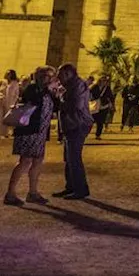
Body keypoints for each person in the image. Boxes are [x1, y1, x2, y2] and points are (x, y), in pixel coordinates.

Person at [4, 66, 56, 206]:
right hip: (29, 131)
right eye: (47, 76)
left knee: (38, 161)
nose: (50, 79)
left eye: (52, 76)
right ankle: (10, 193)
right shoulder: (33, 89)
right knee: (25, 161)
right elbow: (30, 102)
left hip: (40, 132)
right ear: (39, 76)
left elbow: (55, 106)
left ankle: (33, 192)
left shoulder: (47, 91)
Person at [56, 63, 92, 200]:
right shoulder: (71, 85)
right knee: (68, 158)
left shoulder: (77, 85)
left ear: (68, 73)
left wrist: (60, 99)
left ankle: (80, 189)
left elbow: (76, 105)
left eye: (61, 74)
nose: (59, 78)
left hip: (78, 124)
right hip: (72, 124)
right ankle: (71, 187)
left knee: (74, 158)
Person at [89, 73, 115, 140]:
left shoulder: (107, 88)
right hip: (95, 106)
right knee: (91, 120)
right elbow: (89, 94)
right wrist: (92, 99)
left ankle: (98, 135)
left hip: (104, 106)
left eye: (105, 81)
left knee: (100, 122)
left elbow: (111, 96)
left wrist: (112, 104)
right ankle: (85, 132)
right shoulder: (94, 87)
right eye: (102, 80)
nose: (104, 82)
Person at [1, 69, 20, 140]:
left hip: (11, 103)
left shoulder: (15, 83)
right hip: (3, 102)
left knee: (10, 119)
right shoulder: (4, 82)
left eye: (9, 74)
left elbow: (16, 94)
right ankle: (4, 133)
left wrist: (14, 103)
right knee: (3, 119)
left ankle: (10, 132)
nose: (7, 75)